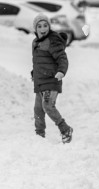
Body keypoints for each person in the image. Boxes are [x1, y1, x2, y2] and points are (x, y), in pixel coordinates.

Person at [31, 13, 73, 143]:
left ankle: (65, 129)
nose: (43, 28)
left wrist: (61, 71)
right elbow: (39, 60)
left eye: (45, 25)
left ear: (49, 27)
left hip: (52, 79)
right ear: (35, 28)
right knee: (38, 109)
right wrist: (34, 72)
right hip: (40, 81)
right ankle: (39, 135)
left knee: (48, 106)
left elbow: (62, 57)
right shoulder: (35, 42)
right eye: (39, 26)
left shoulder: (52, 40)